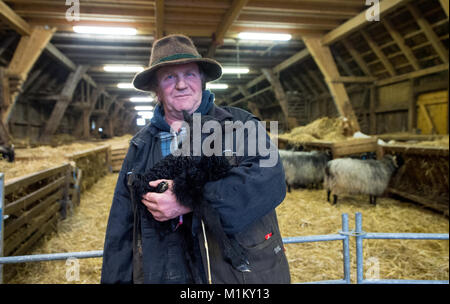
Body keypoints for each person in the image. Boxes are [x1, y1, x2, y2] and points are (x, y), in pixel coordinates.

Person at [101, 34, 290, 284]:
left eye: (189, 74)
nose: (181, 85)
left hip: (238, 276)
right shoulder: (140, 147)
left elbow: (270, 179)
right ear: (156, 89)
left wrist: (188, 199)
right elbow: (121, 231)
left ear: (202, 80)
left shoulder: (240, 125)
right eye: (169, 77)